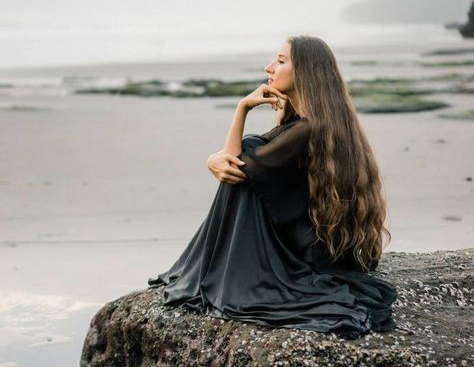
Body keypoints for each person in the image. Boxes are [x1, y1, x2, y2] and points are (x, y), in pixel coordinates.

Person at [147, 35, 397, 340]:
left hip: (306, 253)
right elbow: (235, 163)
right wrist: (217, 158)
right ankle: (212, 265)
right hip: (318, 246)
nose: (269, 68)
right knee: (253, 158)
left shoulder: (306, 130)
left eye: (280, 61)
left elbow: (234, 167)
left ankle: (211, 268)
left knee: (250, 158)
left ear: (306, 71)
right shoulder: (317, 123)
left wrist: (242, 108)